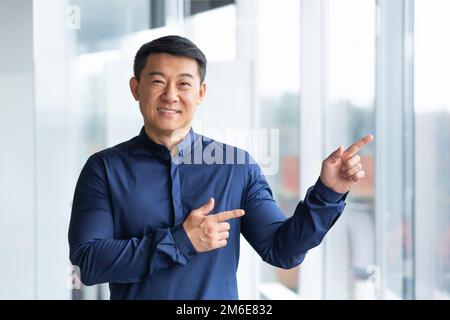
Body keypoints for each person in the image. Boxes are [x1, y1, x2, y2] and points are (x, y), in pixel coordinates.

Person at [68, 35, 373, 300]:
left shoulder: (236, 167)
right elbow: (89, 262)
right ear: (136, 88)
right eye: (157, 81)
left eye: (184, 84)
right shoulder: (104, 169)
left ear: (200, 93)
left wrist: (328, 193)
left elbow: (282, 251)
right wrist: (179, 241)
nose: (171, 95)